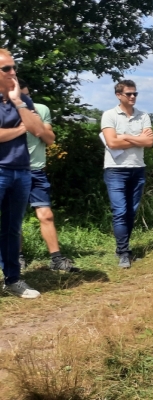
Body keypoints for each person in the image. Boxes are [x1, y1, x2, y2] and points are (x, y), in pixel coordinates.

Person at [0, 49, 46, 298]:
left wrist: (18, 102)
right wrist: (21, 129)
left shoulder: (22, 100)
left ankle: (13, 280)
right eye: (6, 69)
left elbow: (38, 129)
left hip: (21, 171)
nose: (13, 72)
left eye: (13, 67)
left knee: (12, 229)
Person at [19, 79, 79, 272]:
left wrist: (35, 123)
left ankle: (56, 259)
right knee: (14, 218)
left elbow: (50, 140)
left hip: (36, 170)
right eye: (21, 98)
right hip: (12, 171)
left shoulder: (41, 109)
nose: (26, 101)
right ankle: (17, 257)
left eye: (28, 96)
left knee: (46, 215)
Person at [101, 80, 153, 268]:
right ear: (119, 95)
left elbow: (149, 142)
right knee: (120, 211)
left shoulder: (143, 116)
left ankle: (123, 248)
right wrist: (138, 139)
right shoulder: (109, 115)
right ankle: (123, 252)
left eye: (135, 94)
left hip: (137, 168)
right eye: (129, 94)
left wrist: (124, 137)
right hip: (115, 170)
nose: (133, 97)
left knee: (131, 212)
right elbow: (112, 143)